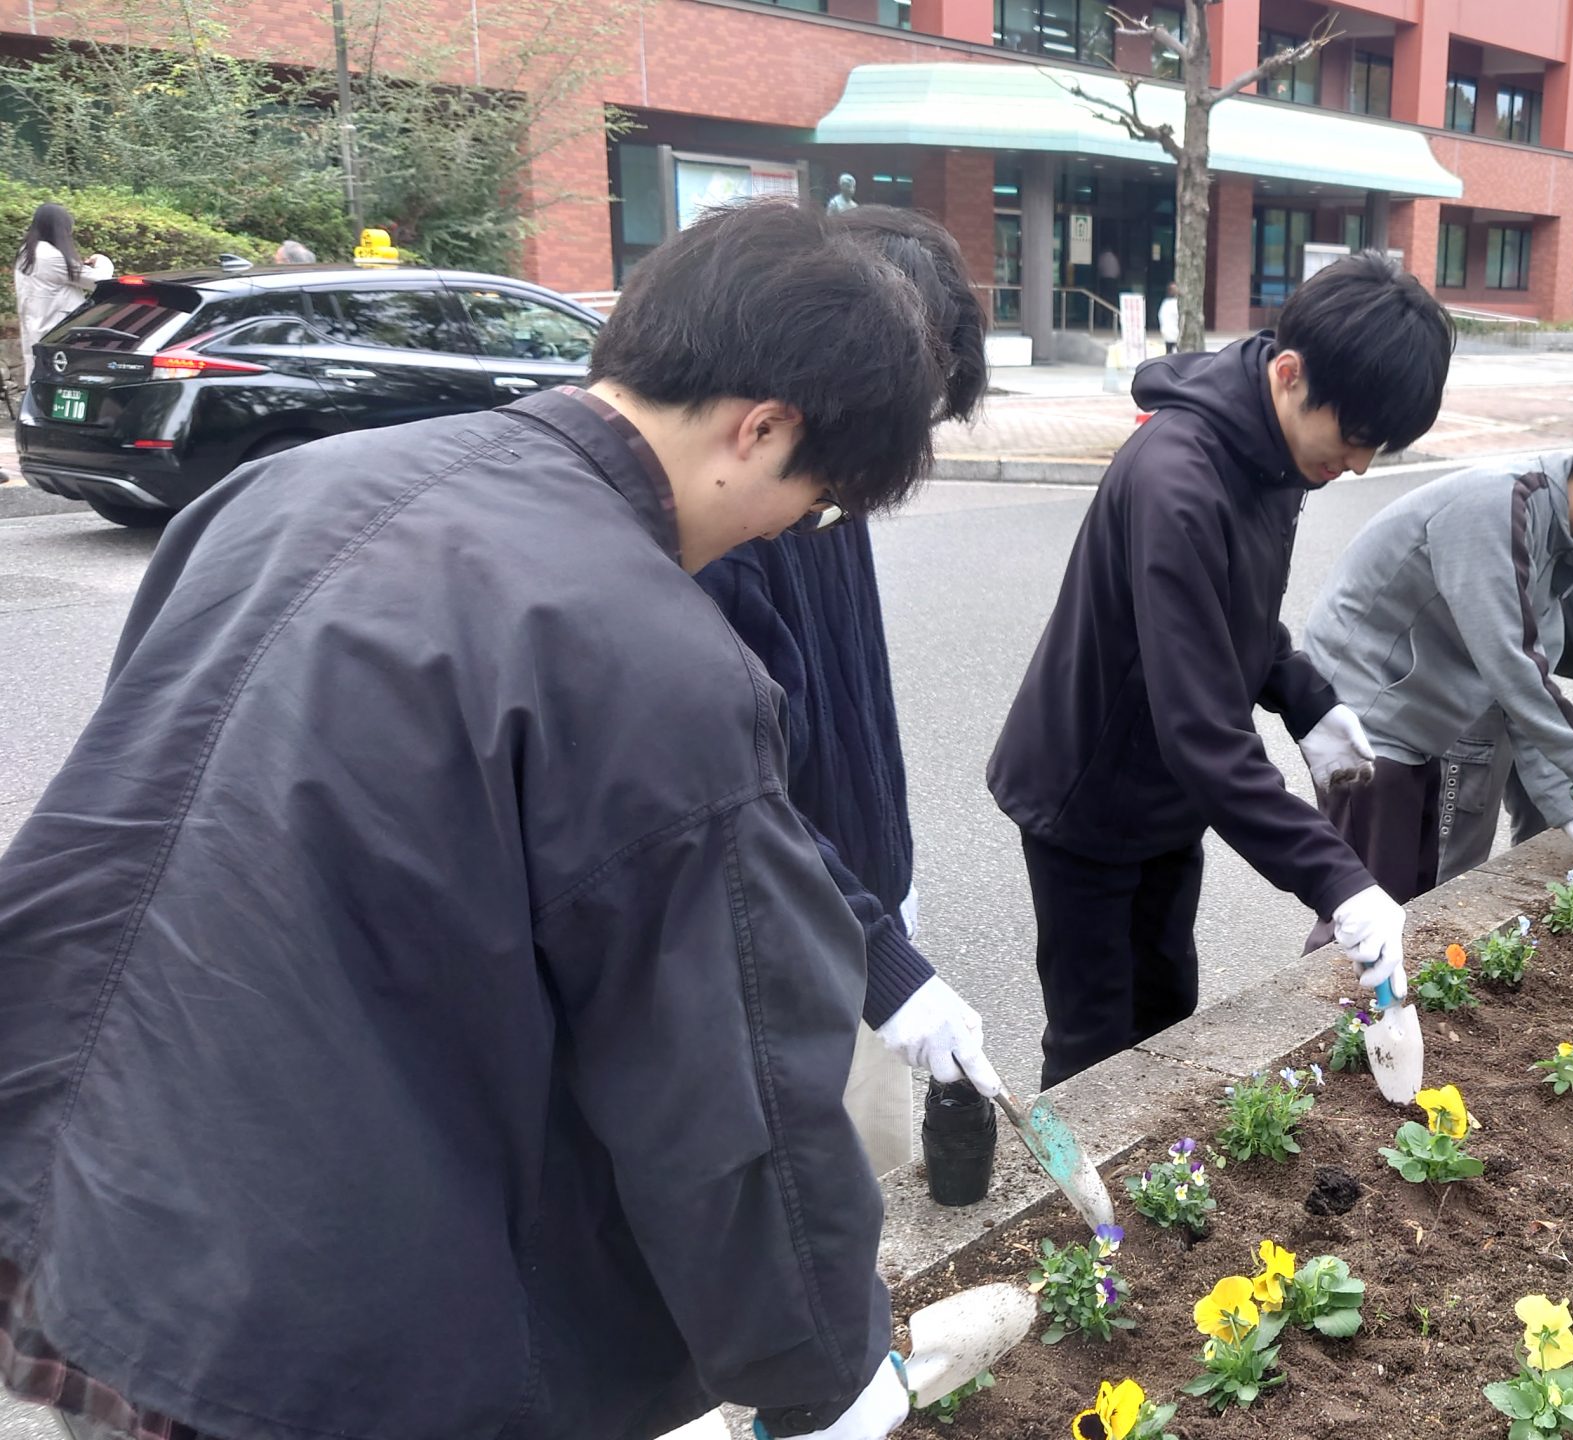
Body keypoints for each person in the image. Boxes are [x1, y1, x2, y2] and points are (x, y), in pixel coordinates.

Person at [0, 199, 951, 1440]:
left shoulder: (288, 487)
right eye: (815, 501)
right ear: (761, 429)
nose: (791, 533)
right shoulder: (652, 657)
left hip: (80, 1191)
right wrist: (825, 1370)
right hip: (306, 1315)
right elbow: (731, 1096)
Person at [988, 251, 1452, 1089]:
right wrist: (1340, 881)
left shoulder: (1275, 454)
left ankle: (1156, 1202)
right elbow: (1202, 734)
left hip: (1165, 796)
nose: (1358, 466)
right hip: (1086, 797)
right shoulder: (1179, 479)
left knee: (1166, 1010)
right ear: (1288, 373)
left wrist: (1305, 698)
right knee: (1094, 1041)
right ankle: (1074, 1213)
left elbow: (1233, 614)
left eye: (1374, 446)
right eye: (1352, 438)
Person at [694, 205, 998, 1173]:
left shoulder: (827, 489)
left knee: (878, 1176)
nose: (864, 494)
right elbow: (740, 801)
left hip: (857, 907)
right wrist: (882, 959)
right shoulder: (728, 535)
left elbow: (857, 701)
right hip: (794, 941)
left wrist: (891, 879)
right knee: (820, 1201)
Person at [1301, 401, 1573, 897]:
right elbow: (1511, 663)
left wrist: (1565, 805)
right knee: (1364, 907)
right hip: (1367, 713)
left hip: (1412, 719)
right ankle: (1345, 975)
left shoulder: (1557, 539)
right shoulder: (1499, 506)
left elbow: (1518, 699)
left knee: (1410, 893)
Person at [12, 202, 110, 377]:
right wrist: (102, 260)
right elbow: (99, 281)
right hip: (59, 333)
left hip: (36, 329)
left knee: (40, 382)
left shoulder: (26, 253)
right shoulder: (51, 257)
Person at [1158, 281, 1181, 354]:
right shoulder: (1172, 303)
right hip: (1174, 331)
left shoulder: (1165, 303)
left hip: (1169, 331)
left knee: (1170, 352)